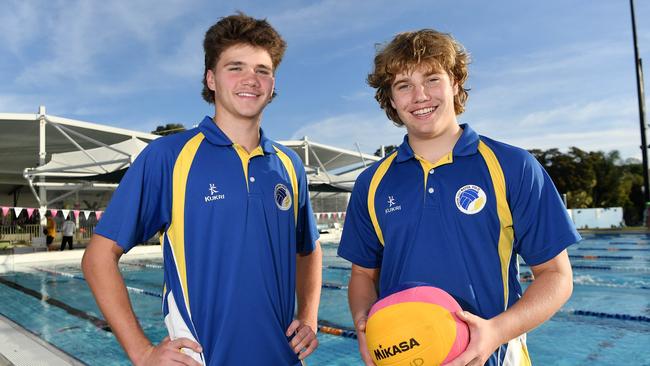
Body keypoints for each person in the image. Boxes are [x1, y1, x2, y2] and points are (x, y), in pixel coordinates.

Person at [82, 13, 322, 366]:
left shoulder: (288, 165)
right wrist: (142, 352)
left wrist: (310, 317)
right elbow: (98, 258)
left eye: (262, 70)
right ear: (211, 79)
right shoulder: (169, 157)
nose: (250, 80)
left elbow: (309, 249)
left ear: (273, 84)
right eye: (235, 67)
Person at [338, 29, 580, 366]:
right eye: (403, 85)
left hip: (495, 356)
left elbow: (556, 276)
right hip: (404, 355)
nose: (420, 96)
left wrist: (495, 331)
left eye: (432, 79)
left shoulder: (513, 166)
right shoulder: (372, 182)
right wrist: (366, 327)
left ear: (455, 83)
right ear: (391, 99)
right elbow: (363, 275)